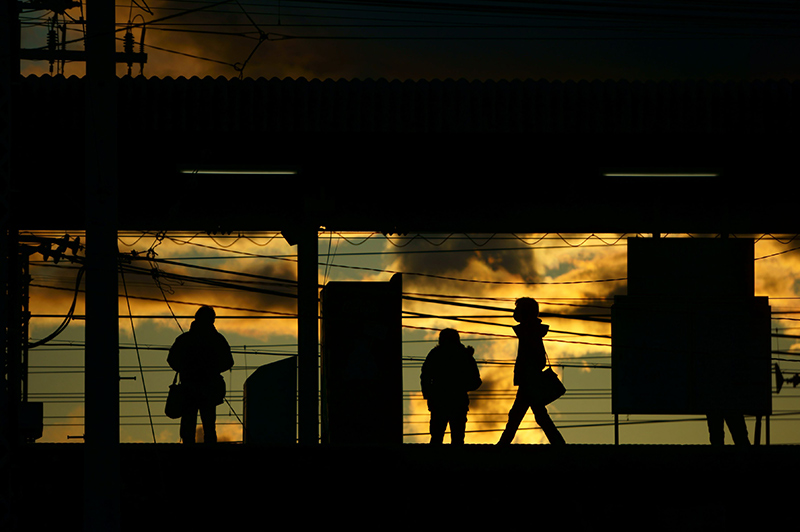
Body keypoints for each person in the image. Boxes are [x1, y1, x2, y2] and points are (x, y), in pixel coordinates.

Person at [497, 297, 565, 445]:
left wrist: (526, 374)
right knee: (537, 415)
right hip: (529, 380)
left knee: (518, 415)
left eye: (517, 309)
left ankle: (501, 447)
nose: (514, 313)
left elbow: (535, 358)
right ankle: (559, 444)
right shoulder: (531, 331)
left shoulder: (529, 332)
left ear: (524, 312)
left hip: (529, 380)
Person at [168, 305, 234, 443]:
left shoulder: (185, 339)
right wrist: (213, 370)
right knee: (209, 426)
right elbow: (228, 361)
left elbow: (171, 359)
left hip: (189, 386)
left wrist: (185, 368)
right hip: (209, 388)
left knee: (188, 424)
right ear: (212, 321)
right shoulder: (217, 339)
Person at [420, 328, 482, 444]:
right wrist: (462, 387)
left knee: (437, 438)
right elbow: (476, 381)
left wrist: (428, 394)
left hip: (439, 401)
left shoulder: (436, 354)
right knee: (457, 440)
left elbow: (425, 376)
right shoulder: (464, 355)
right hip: (457, 401)